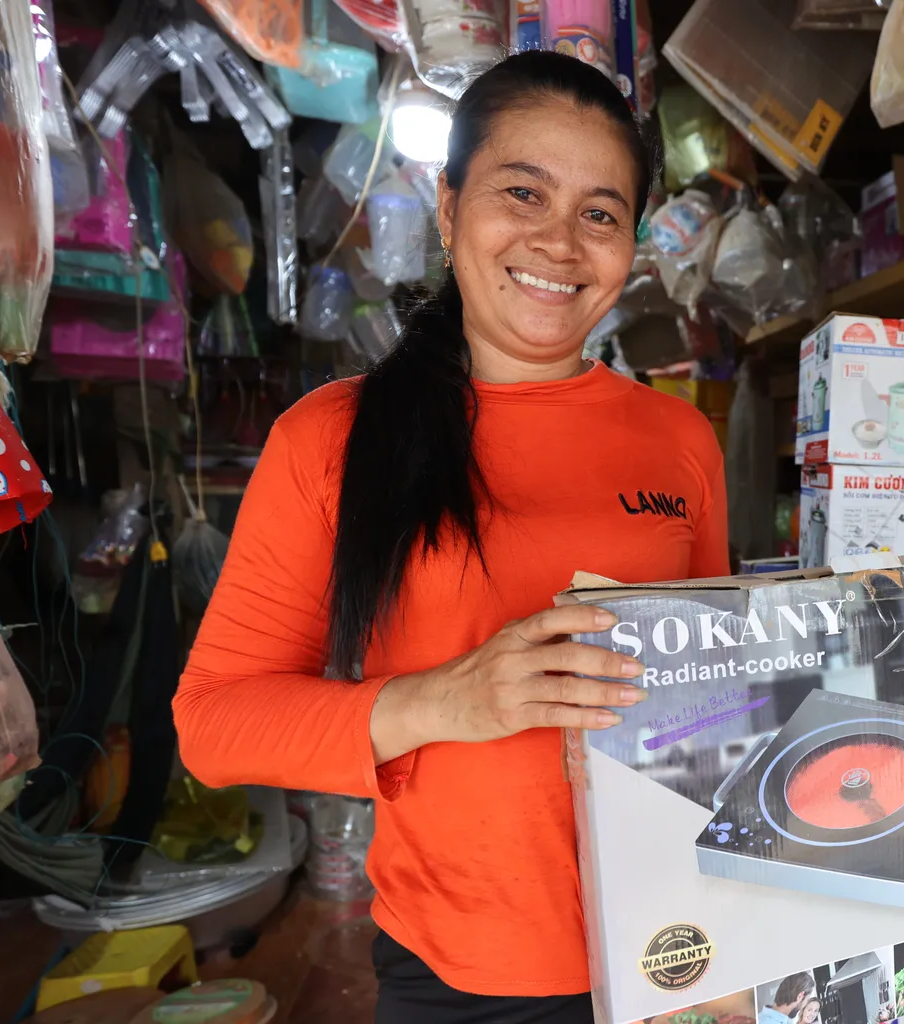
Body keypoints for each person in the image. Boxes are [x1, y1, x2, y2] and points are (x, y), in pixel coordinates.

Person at [173, 51, 729, 1023]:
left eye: (599, 212)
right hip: (461, 977)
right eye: (524, 192)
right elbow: (212, 725)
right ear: (448, 206)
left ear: (630, 244)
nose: (559, 242)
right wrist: (448, 701)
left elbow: (722, 701)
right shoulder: (331, 438)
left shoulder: (680, 438)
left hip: (672, 953)